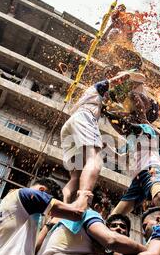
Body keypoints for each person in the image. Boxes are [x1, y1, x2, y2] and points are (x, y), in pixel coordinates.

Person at [61, 69, 145, 208]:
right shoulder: (97, 88)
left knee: (76, 176)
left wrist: (119, 156)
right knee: (95, 159)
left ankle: (64, 205)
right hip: (84, 117)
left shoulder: (94, 102)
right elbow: (117, 80)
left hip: (70, 126)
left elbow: (100, 141)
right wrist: (130, 75)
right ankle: (83, 200)